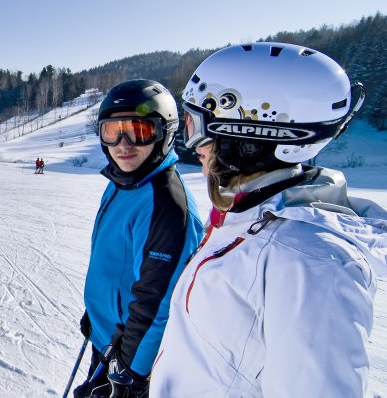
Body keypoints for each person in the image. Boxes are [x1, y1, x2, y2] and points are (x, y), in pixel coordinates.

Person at [150, 42, 387, 397]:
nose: (192, 143)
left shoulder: (309, 261)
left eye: (196, 124)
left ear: (246, 134)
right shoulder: (248, 220)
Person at [75, 80, 204, 398]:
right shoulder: (124, 180)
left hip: (129, 358)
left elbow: (156, 302)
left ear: (166, 132)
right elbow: (116, 266)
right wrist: (97, 313)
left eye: (139, 131)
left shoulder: (166, 206)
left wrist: (131, 376)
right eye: (112, 131)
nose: (123, 144)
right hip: (111, 341)